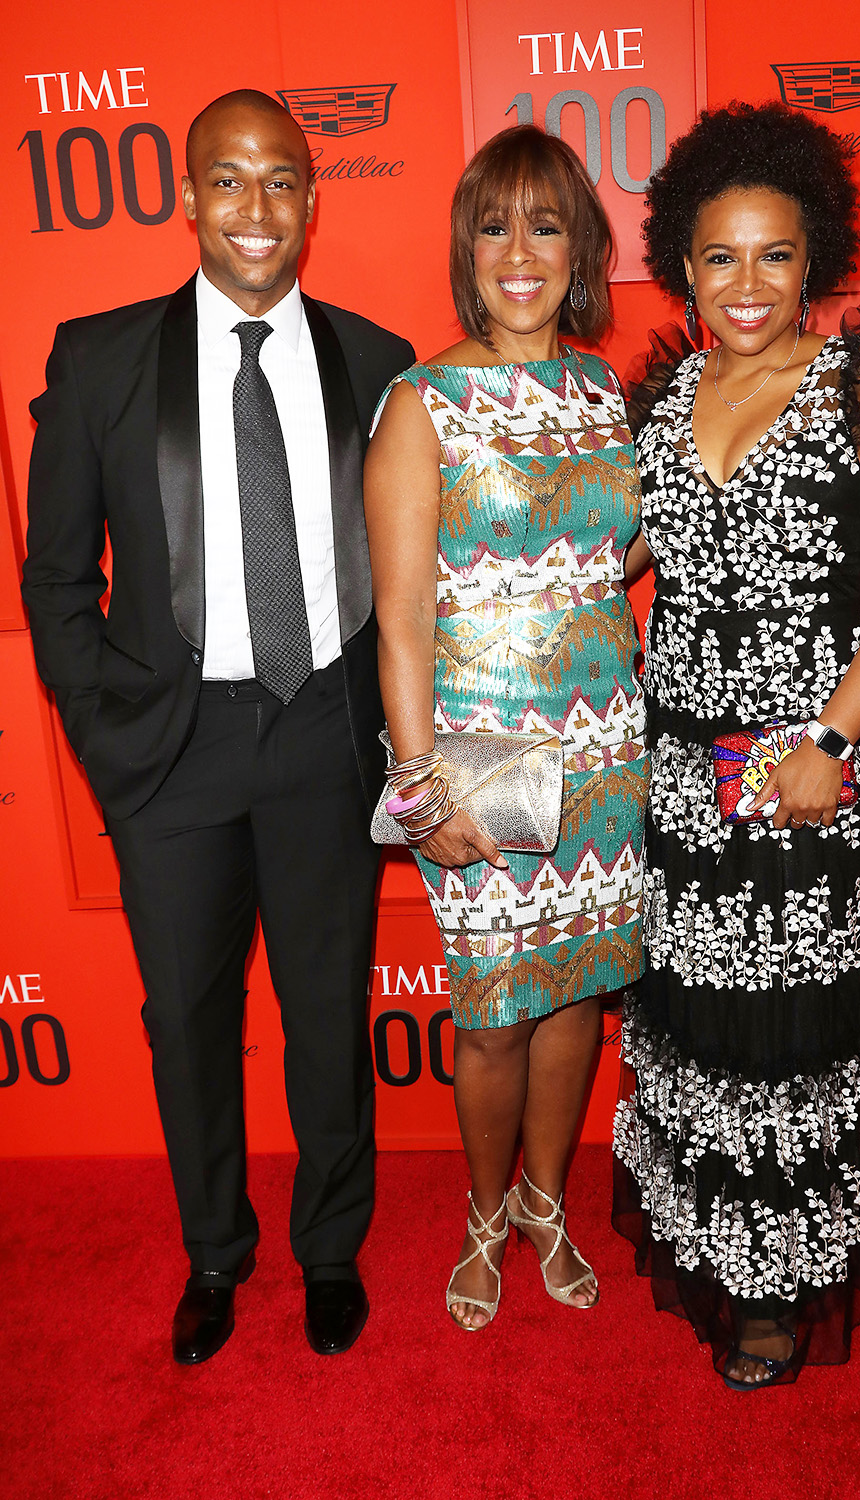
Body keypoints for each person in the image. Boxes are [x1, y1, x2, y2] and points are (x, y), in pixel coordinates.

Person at [22, 90, 413, 1363]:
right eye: (229, 181)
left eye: (283, 181)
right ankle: (213, 1253)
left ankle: (330, 1248)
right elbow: (55, 581)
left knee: (322, 1012)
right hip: (170, 755)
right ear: (187, 197)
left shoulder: (379, 360)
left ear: (312, 198)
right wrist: (106, 739)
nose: (257, 208)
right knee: (186, 1017)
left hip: (323, 737)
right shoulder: (99, 358)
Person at [613, 102, 860, 1388]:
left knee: (804, 1027)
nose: (745, 284)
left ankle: (786, 1286)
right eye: (718, 257)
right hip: (684, 779)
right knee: (704, 1024)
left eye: (772, 254)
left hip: (817, 769)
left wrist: (827, 738)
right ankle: (718, 1246)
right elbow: (612, 556)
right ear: (682, 267)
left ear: (812, 257)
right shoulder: (661, 396)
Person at [364, 124, 648, 1330]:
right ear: (465, 249)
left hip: (604, 745)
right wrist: (424, 794)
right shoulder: (420, 405)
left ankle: (546, 1204)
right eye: (495, 226)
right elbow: (401, 628)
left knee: (576, 996)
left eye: (545, 225)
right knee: (489, 1013)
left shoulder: (596, 388)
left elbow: (611, 552)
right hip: (484, 757)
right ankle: (485, 1215)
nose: (519, 252)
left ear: (579, 244)